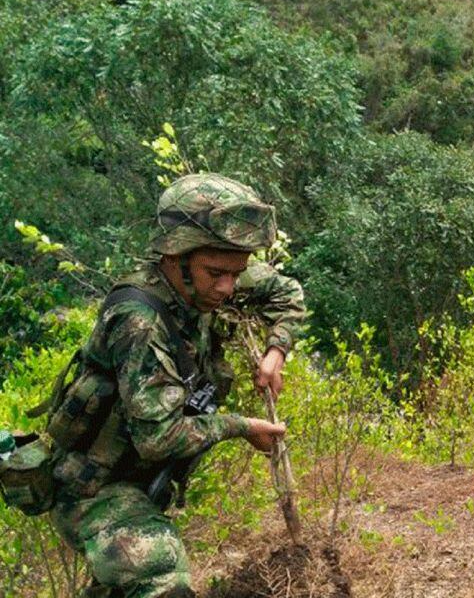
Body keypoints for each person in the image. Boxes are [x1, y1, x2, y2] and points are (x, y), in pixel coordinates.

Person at [43, 173, 305, 597]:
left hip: (140, 484)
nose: (227, 287)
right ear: (173, 257)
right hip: (94, 488)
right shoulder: (139, 320)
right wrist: (241, 426)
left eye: (236, 273)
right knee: (160, 575)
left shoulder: (207, 281)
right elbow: (158, 439)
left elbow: (287, 293)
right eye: (216, 273)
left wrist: (276, 351)